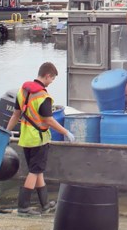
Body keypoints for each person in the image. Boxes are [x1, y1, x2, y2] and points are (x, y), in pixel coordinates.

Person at [5, 62, 76, 215]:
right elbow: (48, 120)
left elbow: (15, 114)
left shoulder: (22, 91)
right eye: (52, 79)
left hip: (25, 138)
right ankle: (23, 206)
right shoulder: (44, 96)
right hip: (38, 139)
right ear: (47, 75)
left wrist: (6, 132)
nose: (51, 83)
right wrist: (65, 132)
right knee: (34, 171)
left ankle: (45, 204)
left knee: (38, 170)